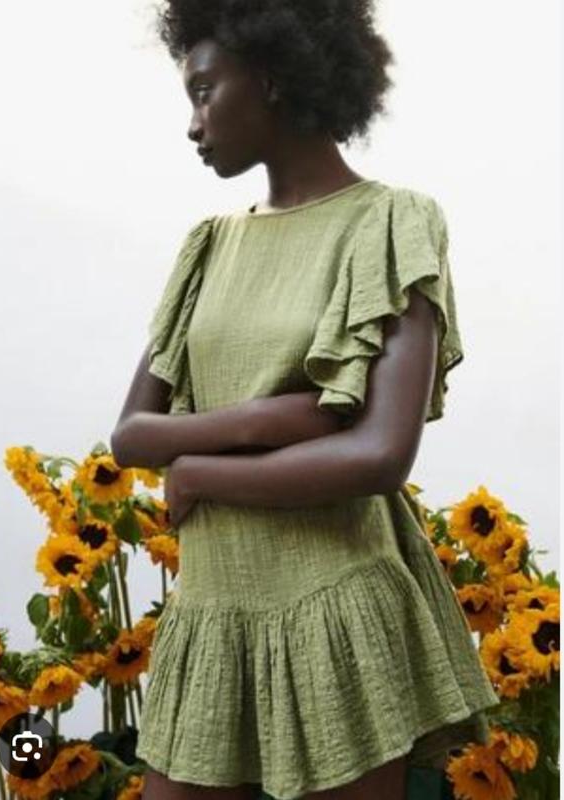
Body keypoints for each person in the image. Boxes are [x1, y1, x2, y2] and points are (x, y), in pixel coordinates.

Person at [110, 1, 500, 798]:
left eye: (205, 91)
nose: (193, 124)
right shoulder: (208, 245)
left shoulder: (388, 222)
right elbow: (130, 436)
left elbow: (378, 455)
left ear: (272, 77)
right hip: (211, 614)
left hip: (336, 612)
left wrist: (202, 472)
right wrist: (286, 416)